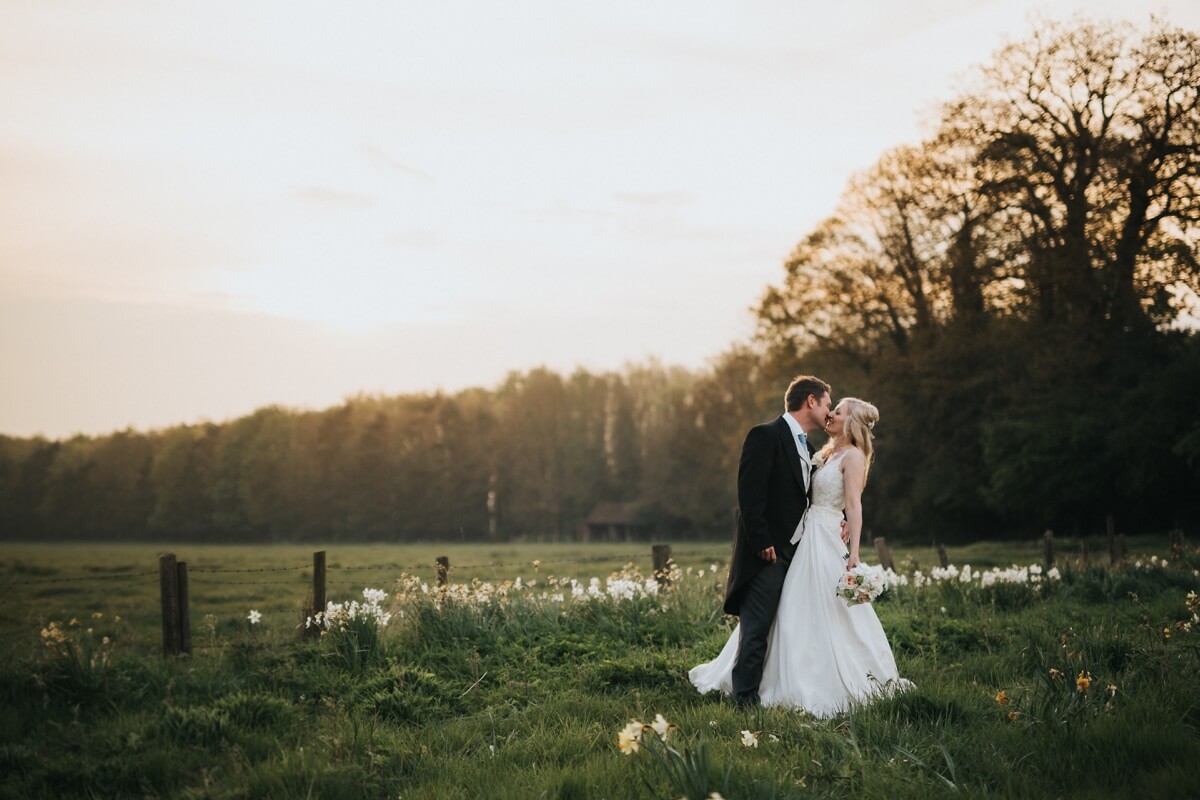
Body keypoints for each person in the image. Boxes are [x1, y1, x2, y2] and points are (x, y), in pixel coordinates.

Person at [690, 397, 912, 717]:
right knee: (789, 606)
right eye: (830, 408)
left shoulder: (853, 456)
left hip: (824, 539)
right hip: (804, 537)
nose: (831, 414)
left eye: (838, 411)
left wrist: (855, 550)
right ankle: (768, 676)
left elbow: (854, 505)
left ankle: (823, 678)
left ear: (851, 422)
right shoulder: (821, 452)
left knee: (823, 611)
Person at [716, 375, 832, 708]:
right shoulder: (765, 435)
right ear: (811, 401)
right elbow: (749, 493)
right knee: (756, 630)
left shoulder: (808, 448)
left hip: (798, 553)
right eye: (826, 403)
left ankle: (777, 691)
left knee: (787, 629)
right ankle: (745, 701)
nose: (829, 411)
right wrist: (761, 540)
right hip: (767, 553)